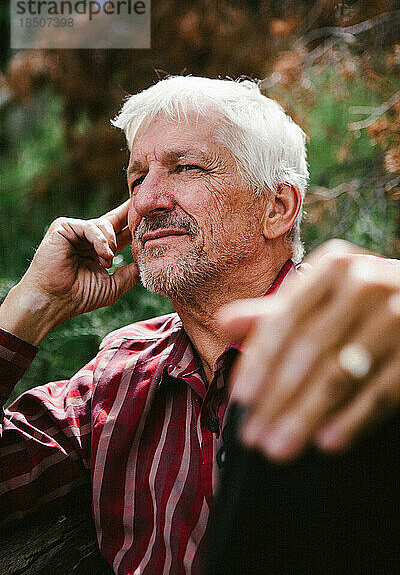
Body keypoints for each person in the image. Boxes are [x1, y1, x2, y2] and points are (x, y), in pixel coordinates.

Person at [0, 76, 399, 575]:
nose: (147, 201)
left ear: (276, 208)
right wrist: (29, 307)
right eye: (137, 179)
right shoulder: (118, 372)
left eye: (185, 168)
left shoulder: (364, 339)